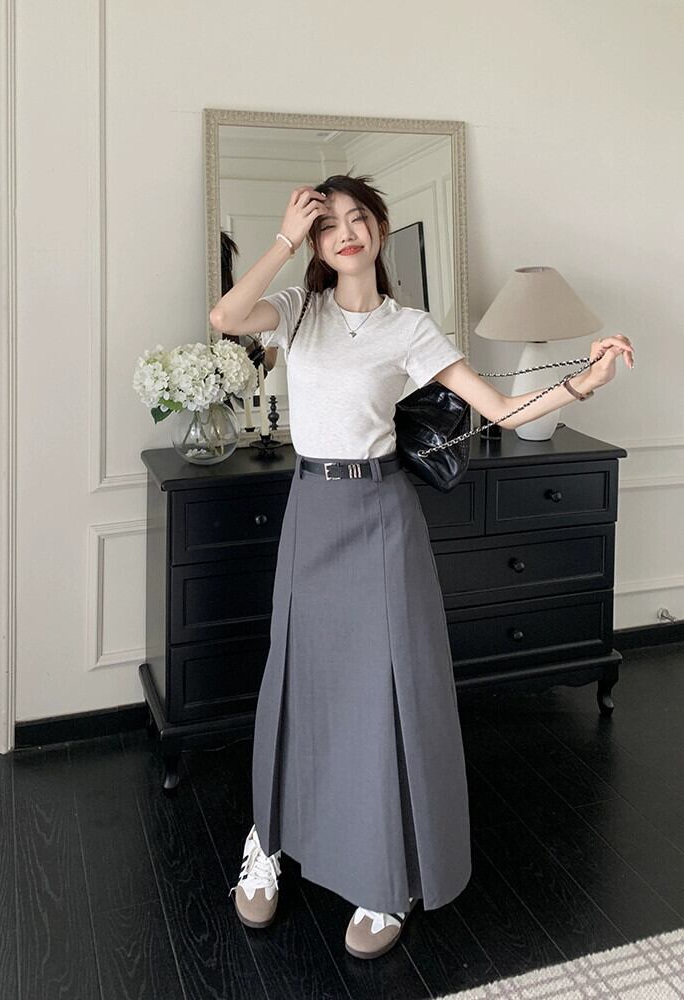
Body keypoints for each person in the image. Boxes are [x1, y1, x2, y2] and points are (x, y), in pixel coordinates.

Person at [209, 174, 634, 960]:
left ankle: (385, 868)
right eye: (328, 224)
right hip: (313, 508)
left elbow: (500, 409)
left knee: (385, 686)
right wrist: (282, 237)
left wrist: (585, 380)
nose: (345, 232)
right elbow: (227, 317)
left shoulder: (410, 328)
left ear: (379, 229)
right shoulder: (300, 311)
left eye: (358, 218)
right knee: (297, 676)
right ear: (316, 242)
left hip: (381, 512)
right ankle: (267, 836)